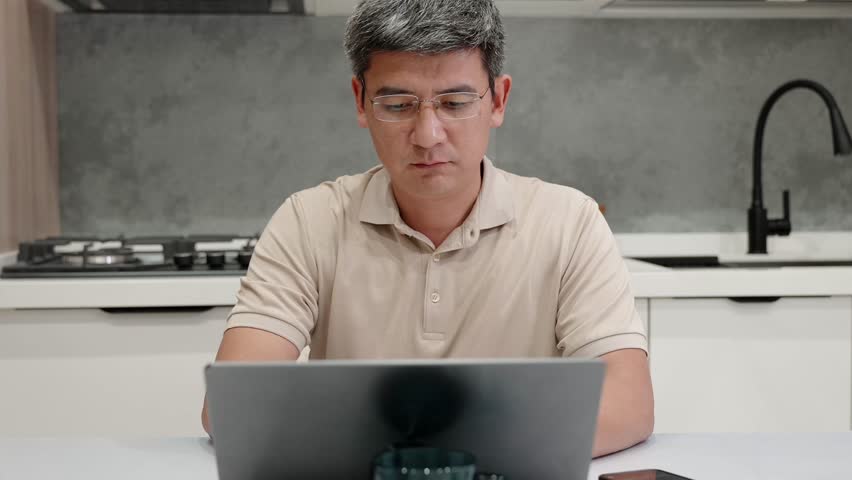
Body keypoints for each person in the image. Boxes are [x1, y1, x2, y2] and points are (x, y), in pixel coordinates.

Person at [201, 0, 653, 458]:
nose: (428, 134)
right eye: (398, 105)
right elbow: (233, 407)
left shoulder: (569, 222)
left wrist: (425, 458)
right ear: (360, 101)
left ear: (498, 100)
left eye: (455, 103)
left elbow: (627, 405)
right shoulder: (309, 221)